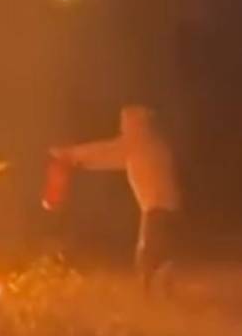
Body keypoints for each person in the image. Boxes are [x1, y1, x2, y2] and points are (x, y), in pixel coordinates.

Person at [51, 106, 183, 295]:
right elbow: (110, 158)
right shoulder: (155, 144)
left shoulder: (137, 143)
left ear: (137, 125)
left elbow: (104, 152)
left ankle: (148, 296)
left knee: (147, 254)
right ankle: (164, 292)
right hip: (172, 206)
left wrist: (69, 155)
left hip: (156, 207)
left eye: (126, 123)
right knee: (164, 253)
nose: (123, 127)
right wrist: (79, 162)